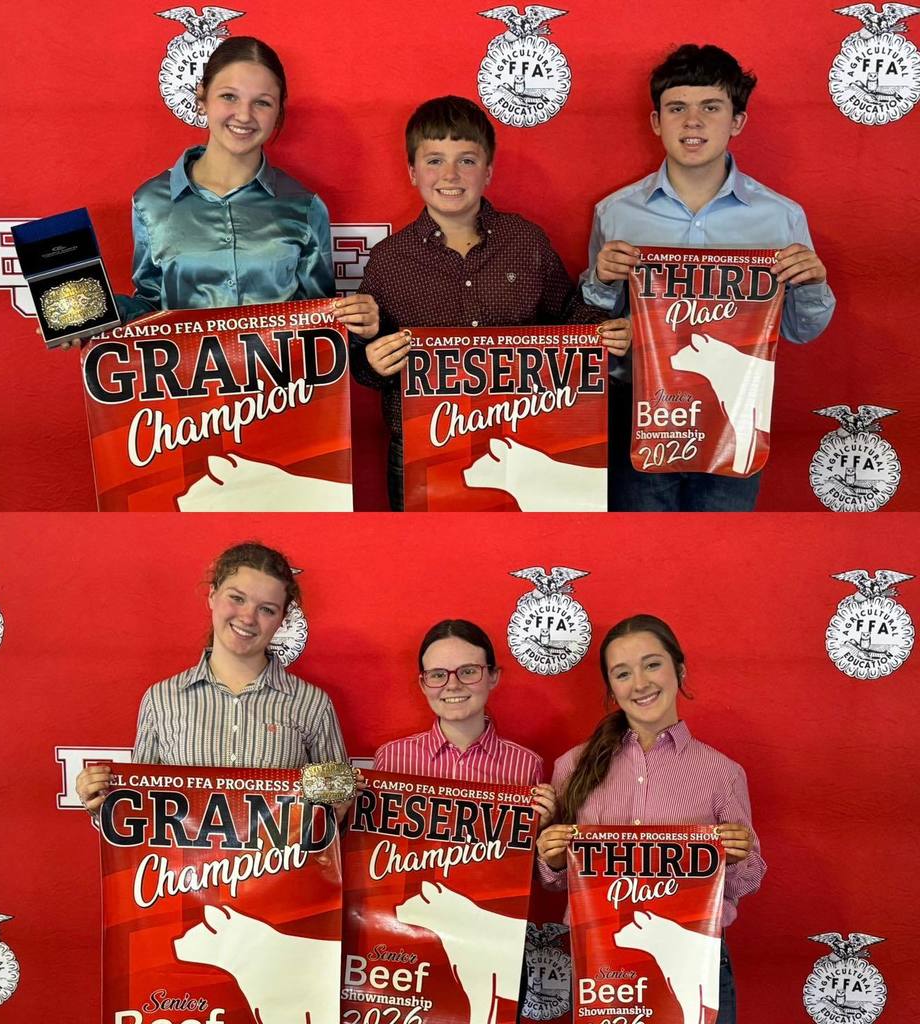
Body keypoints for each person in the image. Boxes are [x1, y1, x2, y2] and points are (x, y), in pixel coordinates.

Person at [579, 44, 836, 511]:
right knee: (642, 555)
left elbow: (802, 331)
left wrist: (813, 284)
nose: (692, 122)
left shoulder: (780, 217)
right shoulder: (615, 213)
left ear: (736, 121)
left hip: (733, 415)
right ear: (657, 121)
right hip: (639, 409)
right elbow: (594, 321)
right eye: (677, 108)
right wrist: (599, 281)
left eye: (710, 108)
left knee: (720, 556)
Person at [351, 96, 631, 510]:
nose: (450, 174)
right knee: (431, 567)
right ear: (412, 172)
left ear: (488, 171)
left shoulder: (526, 241)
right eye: (434, 160)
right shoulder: (389, 261)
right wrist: (373, 362)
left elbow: (569, 321)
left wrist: (602, 331)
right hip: (423, 450)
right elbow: (363, 361)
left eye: (466, 160)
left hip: (527, 442)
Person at [61, 37, 377, 346]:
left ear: (279, 111)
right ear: (202, 98)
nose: (243, 115)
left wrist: (359, 324)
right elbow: (152, 306)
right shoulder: (151, 201)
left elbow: (320, 323)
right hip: (187, 392)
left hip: (282, 394)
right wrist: (95, 315)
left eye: (262, 103)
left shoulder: (305, 206)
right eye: (229, 97)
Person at [535, 614, 764, 1024]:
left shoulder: (722, 773)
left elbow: (748, 881)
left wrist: (736, 855)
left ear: (679, 669)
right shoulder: (572, 766)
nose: (640, 683)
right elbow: (555, 883)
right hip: (603, 970)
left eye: (652, 664)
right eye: (623, 673)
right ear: (611, 688)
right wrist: (551, 857)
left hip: (698, 961)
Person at [75, 541, 347, 814]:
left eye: (267, 609)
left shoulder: (312, 704)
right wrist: (103, 806)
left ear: (281, 620)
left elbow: (329, 828)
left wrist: (341, 806)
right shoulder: (161, 699)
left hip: (281, 859)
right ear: (212, 595)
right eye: (237, 598)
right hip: (182, 859)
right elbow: (143, 815)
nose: (248, 617)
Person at [373, 618, 556, 1022]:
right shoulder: (391, 761)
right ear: (423, 684)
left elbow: (538, 876)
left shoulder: (526, 767)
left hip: (494, 941)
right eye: (438, 675)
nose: (452, 685)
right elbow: (374, 866)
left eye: (468, 671)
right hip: (409, 943)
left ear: (493, 676)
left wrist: (544, 832)